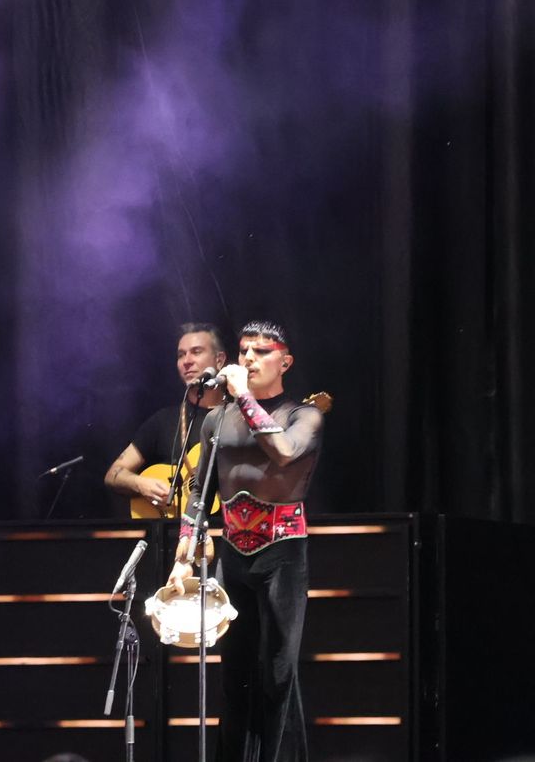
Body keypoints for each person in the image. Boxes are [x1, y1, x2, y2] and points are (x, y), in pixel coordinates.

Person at [167, 319, 324, 762]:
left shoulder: (303, 415)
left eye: (261, 351)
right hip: (233, 555)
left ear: (285, 361)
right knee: (233, 675)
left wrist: (245, 397)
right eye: (244, 351)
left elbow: (284, 453)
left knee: (277, 673)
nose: (250, 359)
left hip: (282, 555)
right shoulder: (216, 420)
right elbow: (200, 491)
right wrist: (185, 546)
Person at [103, 323, 227, 516]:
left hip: (223, 535)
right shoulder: (163, 421)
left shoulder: (238, 417)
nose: (187, 361)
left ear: (219, 360)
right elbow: (113, 474)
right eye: (181, 354)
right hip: (169, 536)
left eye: (196, 352)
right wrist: (140, 484)